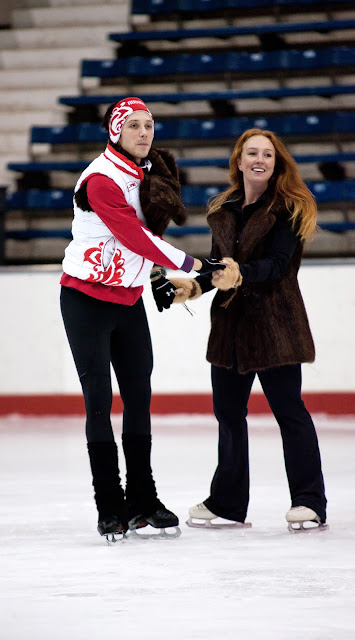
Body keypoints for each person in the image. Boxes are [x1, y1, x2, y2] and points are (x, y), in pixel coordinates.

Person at [59, 96, 224, 540]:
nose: (144, 132)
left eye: (149, 124)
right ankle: (109, 505)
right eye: (133, 125)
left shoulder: (149, 172)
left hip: (127, 300)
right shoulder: (100, 179)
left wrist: (153, 276)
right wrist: (193, 266)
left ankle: (143, 500)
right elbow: (132, 236)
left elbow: (149, 233)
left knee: (138, 397)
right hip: (86, 300)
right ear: (115, 132)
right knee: (98, 399)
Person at [165, 128, 327, 532]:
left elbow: (276, 265)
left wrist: (241, 274)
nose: (260, 160)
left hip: (276, 325)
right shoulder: (223, 209)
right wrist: (195, 285)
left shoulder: (289, 206)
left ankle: (309, 501)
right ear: (239, 161)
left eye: (267, 155)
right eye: (251, 153)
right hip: (230, 328)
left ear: (276, 163)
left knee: (289, 412)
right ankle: (227, 503)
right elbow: (219, 265)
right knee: (229, 415)